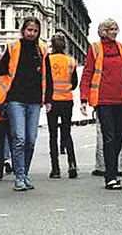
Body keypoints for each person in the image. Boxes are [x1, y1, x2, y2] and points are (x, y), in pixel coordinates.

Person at [80, 18, 122, 190]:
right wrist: (84, 98)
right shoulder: (95, 49)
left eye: (116, 29)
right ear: (104, 31)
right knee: (109, 137)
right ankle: (111, 176)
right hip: (104, 101)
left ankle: (111, 168)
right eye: (112, 29)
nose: (115, 32)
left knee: (119, 137)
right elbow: (88, 73)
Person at [0, 17, 46, 191]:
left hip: (35, 100)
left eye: (35, 31)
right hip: (16, 99)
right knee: (19, 138)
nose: (32, 33)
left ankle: (24, 173)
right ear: (23, 30)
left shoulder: (42, 50)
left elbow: (48, 77)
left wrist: (49, 99)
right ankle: (20, 176)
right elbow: (1, 70)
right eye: (29, 30)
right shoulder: (13, 47)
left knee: (31, 140)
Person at [44, 32, 78, 180]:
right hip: (66, 100)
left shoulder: (47, 60)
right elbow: (74, 83)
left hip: (52, 101)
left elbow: (45, 81)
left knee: (53, 134)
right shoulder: (71, 61)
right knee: (66, 133)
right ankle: (72, 164)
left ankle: (55, 169)